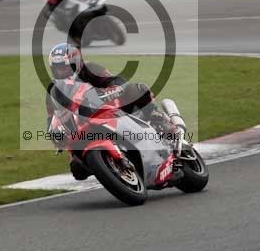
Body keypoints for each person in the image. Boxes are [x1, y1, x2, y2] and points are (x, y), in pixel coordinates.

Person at [45, 42, 175, 180]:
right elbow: (52, 117)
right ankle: (108, 167)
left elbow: (117, 81)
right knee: (77, 170)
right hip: (82, 126)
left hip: (109, 108)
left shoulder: (90, 68)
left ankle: (158, 118)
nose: (61, 72)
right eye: (57, 69)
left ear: (76, 63)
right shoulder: (53, 89)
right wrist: (55, 135)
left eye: (65, 68)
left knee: (136, 89)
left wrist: (110, 92)